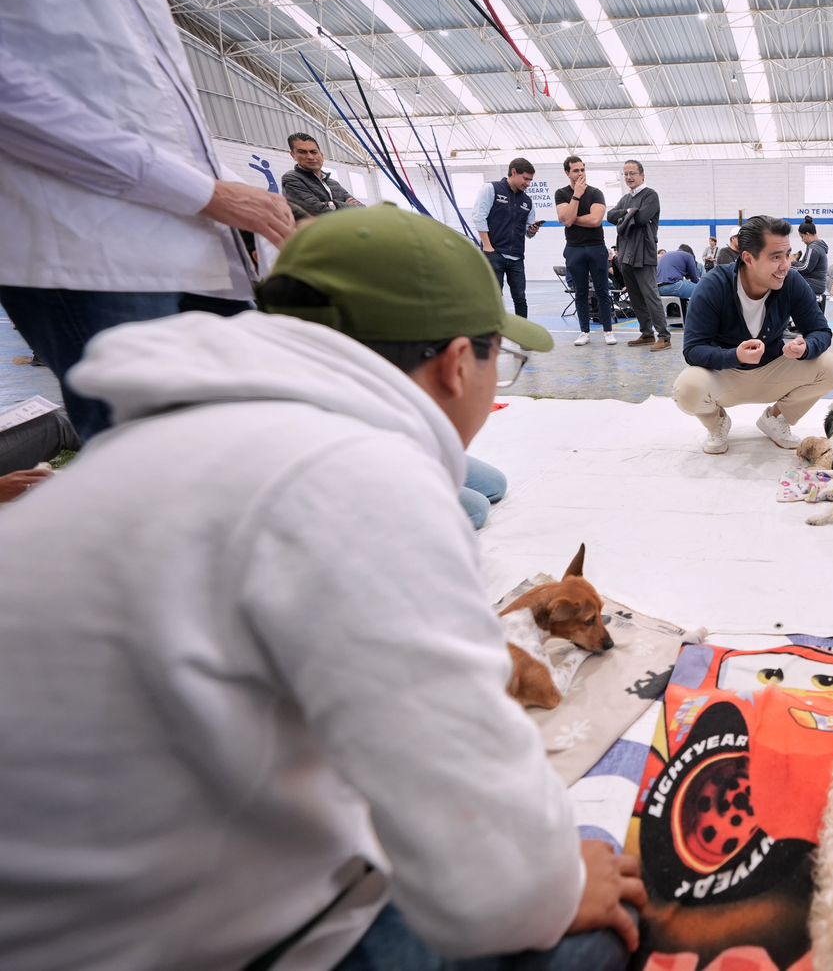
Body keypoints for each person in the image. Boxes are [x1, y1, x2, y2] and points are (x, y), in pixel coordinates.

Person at [0, 206, 652, 970]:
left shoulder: (167, 440)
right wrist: (556, 884)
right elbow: (480, 840)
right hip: (163, 943)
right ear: (454, 364)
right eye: (497, 358)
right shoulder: (356, 480)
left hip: (69, 907)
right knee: (603, 926)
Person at [0, 0, 295, 441]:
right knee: (163, 466)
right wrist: (201, 192)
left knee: (251, 442)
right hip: (92, 247)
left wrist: (229, 194)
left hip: (195, 243)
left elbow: (157, 114)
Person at [672, 215, 833, 454]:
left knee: (831, 367)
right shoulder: (713, 285)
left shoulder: (791, 281)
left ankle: (775, 419)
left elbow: (820, 330)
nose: (786, 264)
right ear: (748, 258)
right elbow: (693, 349)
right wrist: (734, 356)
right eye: (775, 257)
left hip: (772, 369)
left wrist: (807, 347)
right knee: (687, 389)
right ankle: (717, 422)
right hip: (725, 375)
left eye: (787, 254)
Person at [607, 160, 670, 351]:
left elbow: (642, 218)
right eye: (625, 174)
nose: (628, 177)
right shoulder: (626, 199)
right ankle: (646, 333)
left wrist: (624, 218)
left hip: (644, 252)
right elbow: (610, 216)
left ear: (642, 175)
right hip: (625, 253)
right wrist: (628, 212)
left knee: (650, 295)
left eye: (632, 173)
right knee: (634, 296)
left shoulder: (651, 195)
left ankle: (664, 337)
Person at [554, 155, 615, 346]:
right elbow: (568, 218)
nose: (580, 173)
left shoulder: (596, 193)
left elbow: (595, 220)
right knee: (580, 291)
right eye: (575, 170)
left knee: (602, 290)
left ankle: (608, 330)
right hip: (574, 248)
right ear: (567, 173)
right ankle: (584, 332)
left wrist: (569, 219)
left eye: (582, 169)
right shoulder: (561, 193)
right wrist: (577, 196)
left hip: (596, 246)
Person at [470, 157, 542, 319]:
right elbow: (478, 217)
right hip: (494, 253)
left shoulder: (527, 202)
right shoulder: (491, 189)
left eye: (531, 180)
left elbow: (528, 233)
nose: (528, 184)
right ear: (514, 172)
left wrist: (532, 230)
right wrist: (487, 247)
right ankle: (492, 338)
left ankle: (524, 336)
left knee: (520, 298)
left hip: (517, 257)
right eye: (525, 179)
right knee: (494, 298)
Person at [283, 132, 366, 216]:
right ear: (293, 155)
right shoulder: (291, 179)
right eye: (302, 152)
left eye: (313, 152)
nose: (310, 157)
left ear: (322, 156)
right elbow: (315, 209)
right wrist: (347, 206)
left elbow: (361, 207)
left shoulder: (333, 183)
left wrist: (332, 206)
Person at [796, 218, 830, 313]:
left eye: (802, 237)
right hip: (817, 284)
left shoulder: (813, 248)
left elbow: (805, 268)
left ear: (807, 234)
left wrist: (790, 264)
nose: (802, 240)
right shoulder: (819, 246)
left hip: (812, 284)